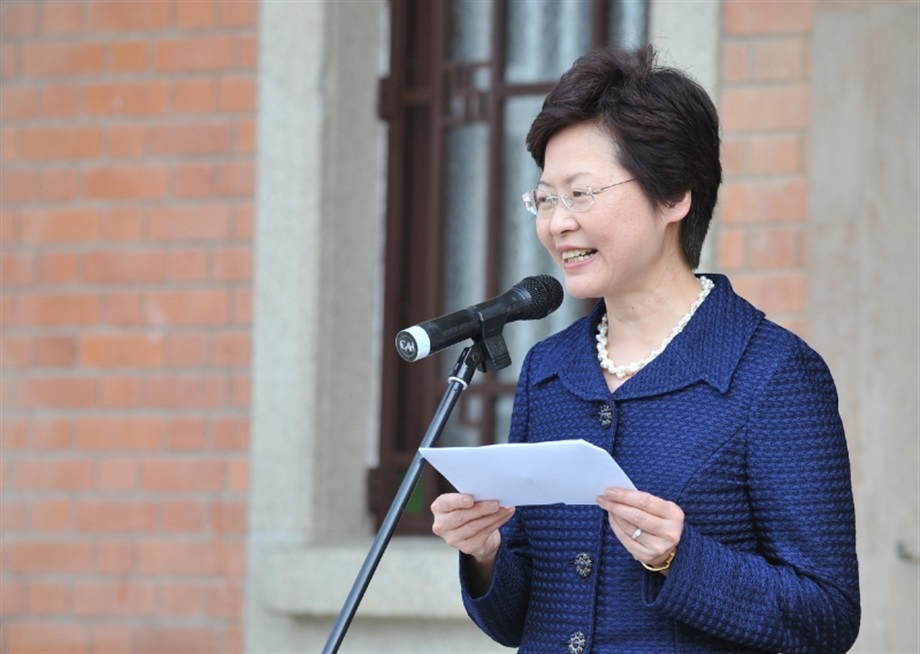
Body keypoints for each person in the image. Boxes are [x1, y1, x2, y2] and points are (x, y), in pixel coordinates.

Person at [430, 45, 860, 653]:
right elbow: (520, 619)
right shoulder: (549, 372)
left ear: (674, 196)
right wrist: (486, 553)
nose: (557, 224)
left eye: (581, 194)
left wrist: (681, 559)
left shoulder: (773, 374)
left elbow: (828, 618)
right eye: (545, 199)